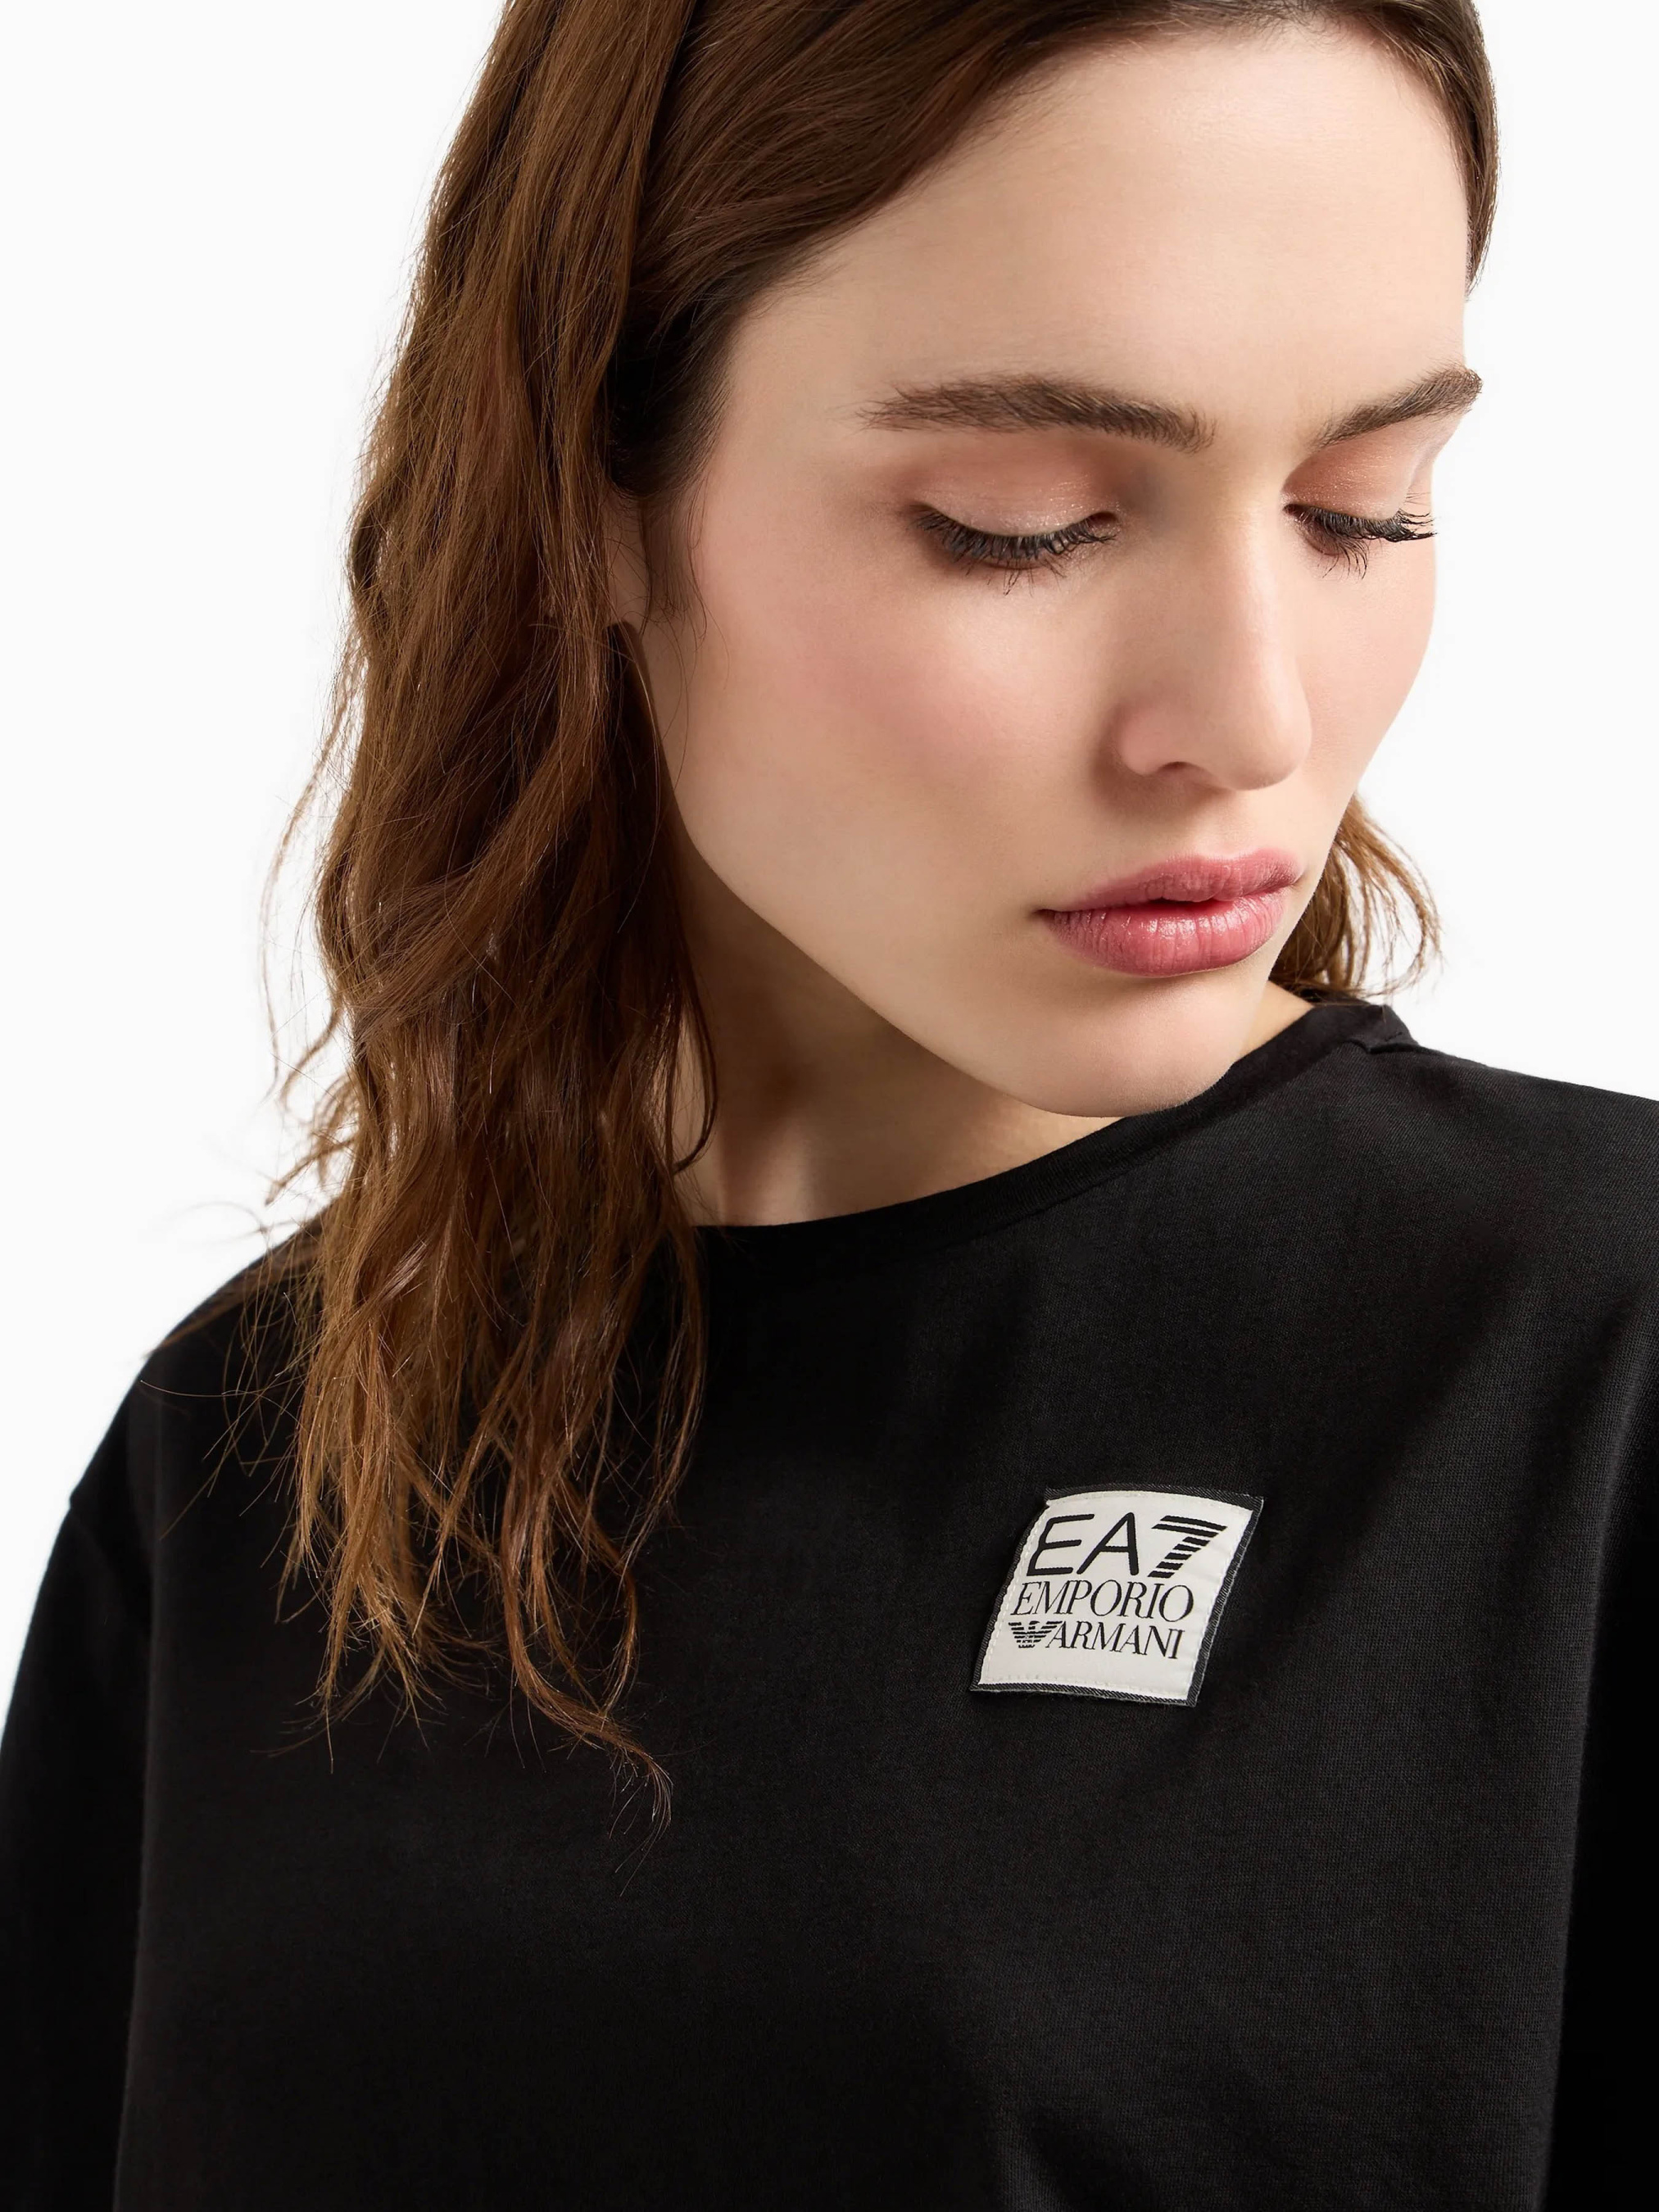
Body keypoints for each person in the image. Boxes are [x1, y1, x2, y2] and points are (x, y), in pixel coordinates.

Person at [0, 1, 1647, 2204]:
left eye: (1366, 510)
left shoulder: (1593, 1359)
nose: (1250, 719)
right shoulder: (247, 1454)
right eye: (1022, 526)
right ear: (592, 493)